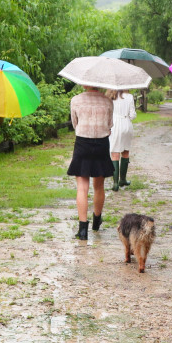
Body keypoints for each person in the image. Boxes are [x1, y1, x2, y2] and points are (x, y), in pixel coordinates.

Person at [67, 85, 114, 240]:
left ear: (84, 83)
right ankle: (96, 221)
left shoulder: (76, 100)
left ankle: (82, 230)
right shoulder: (107, 101)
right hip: (101, 144)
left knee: (82, 188)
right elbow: (110, 125)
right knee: (99, 186)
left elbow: (75, 124)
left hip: (82, 144)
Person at [105, 89, 137, 191]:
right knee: (125, 152)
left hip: (114, 125)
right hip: (126, 124)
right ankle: (122, 179)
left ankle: (115, 183)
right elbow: (132, 115)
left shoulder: (109, 96)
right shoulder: (129, 97)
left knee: (115, 154)